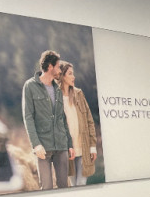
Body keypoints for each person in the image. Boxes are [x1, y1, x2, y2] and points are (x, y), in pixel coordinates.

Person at [21, 50, 74, 189]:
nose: (60, 70)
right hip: (43, 147)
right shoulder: (30, 86)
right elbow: (28, 117)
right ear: (50, 66)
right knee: (46, 187)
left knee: (64, 186)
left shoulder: (58, 89)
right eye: (58, 67)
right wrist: (36, 144)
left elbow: (62, 118)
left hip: (61, 145)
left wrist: (69, 143)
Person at [58, 61, 98, 186]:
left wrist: (92, 146)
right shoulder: (56, 98)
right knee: (73, 186)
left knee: (81, 184)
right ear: (62, 76)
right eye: (70, 74)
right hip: (67, 150)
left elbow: (89, 121)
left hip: (84, 148)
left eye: (73, 73)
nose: (73, 77)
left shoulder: (79, 94)